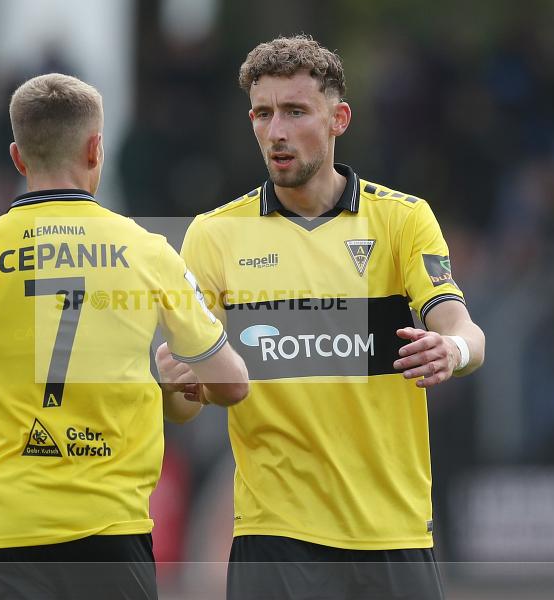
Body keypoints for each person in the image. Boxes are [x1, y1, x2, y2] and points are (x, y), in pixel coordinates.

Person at [0, 73, 249, 600]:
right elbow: (232, 383)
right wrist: (179, 388)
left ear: (17, 157)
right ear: (96, 148)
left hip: (1, 539)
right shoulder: (148, 253)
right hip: (111, 537)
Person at [156, 36, 485, 599]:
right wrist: (173, 386)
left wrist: (450, 351)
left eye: (295, 111)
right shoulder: (214, 236)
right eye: (263, 114)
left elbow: (464, 329)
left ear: (339, 119)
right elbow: (187, 406)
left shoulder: (402, 220)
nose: (276, 131)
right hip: (275, 535)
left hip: (392, 530)